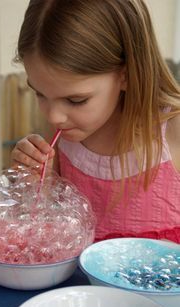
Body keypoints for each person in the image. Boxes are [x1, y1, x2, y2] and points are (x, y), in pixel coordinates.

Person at [11, 0, 180, 243]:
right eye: (40, 94)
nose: (53, 116)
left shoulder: (173, 131)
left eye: (76, 100)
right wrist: (37, 186)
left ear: (127, 74)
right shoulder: (67, 138)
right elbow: (47, 231)